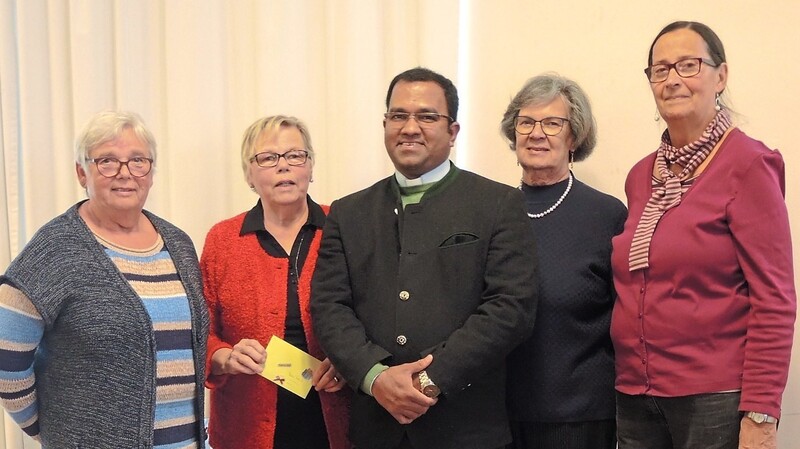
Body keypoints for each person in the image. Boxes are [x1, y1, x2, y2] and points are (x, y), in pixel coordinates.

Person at [310, 67, 538, 449]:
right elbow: (329, 306)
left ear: (453, 132)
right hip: (375, 428)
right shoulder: (348, 213)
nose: (410, 127)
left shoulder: (497, 204)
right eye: (398, 116)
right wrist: (375, 378)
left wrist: (428, 381)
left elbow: (510, 309)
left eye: (427, 116)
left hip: (465, 428)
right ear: (385, 125)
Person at [611, 21, 796, 449]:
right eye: (660, 69)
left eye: (688, 65)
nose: (673, 78)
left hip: (715, 399)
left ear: (721, 76)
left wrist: (762, 413)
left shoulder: (749, 164)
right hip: (635, 394)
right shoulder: (643, 175)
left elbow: (775, 297)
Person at [0, 110, 209, 448]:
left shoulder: (178, 243)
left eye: (138, 160)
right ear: (82, 173)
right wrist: (54, 428)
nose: (125, 173)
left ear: (151, 172)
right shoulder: (57, 247)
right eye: (107, 161)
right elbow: (6, 357)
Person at [200, 115, 351, 449]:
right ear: (249, 175)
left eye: (295, 155)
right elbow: (200, 332)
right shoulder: (223, 240)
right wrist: (224, 356)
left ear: (310, 167)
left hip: (335, 421)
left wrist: (351, 363)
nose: (283, 167)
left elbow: (375, 317)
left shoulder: (345, 228)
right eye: (267, 158)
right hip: (246, 426)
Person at [500, 74, 626, 449]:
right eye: (526, 122)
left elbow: (627, 317)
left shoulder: (606, 215)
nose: (537, 133)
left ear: (575, 136)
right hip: (496, 414)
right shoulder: (491, 212)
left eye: (553, 123)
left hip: (579, 417)